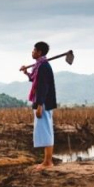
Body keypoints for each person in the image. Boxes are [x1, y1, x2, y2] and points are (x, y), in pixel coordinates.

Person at [20, 41, 57, 169]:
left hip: (44, 103)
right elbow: (35, 80)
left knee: (46, 131)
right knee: (45, 130)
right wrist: (26, 72)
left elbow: (43, 87)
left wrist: (40, 105)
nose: (32, 52)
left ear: (39, 52)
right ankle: (47, 161)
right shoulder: (39, 66)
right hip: (42, 102)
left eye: (34, 50)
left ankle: (48, 162)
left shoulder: (43, 66)